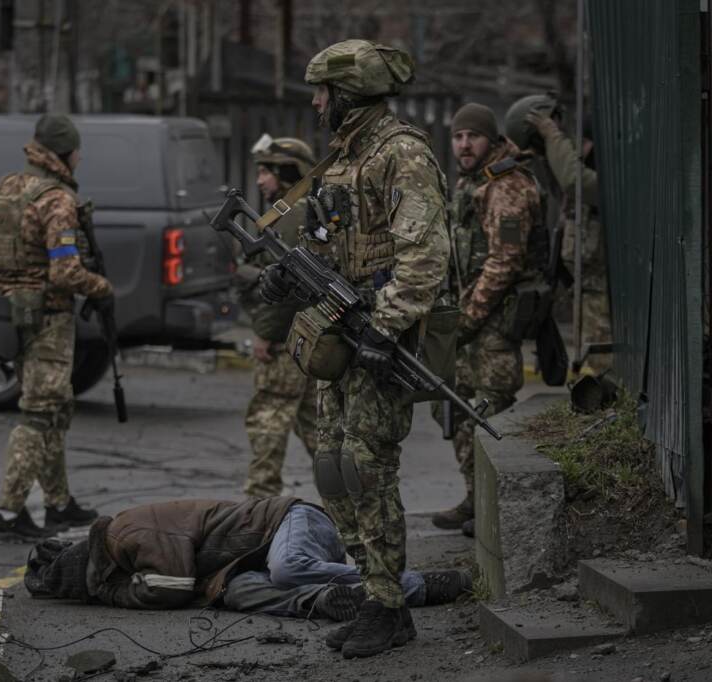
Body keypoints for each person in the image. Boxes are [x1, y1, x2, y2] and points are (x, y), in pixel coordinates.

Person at [258, 40, 450, 658]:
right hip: (337, 330)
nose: (315, 103)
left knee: (367, 467)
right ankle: (374, 592)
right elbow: (328, 241)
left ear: (348, 95)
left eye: (322, 92)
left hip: (377, 336)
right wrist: (291, 272)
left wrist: (385, 326)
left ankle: (391, 606)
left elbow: (425, 257)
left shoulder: (402, 154)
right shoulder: (344, 159)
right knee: (332, 466)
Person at [0, 114, 113, 543]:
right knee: (38, 414)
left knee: (56, 408)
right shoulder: (57, 199)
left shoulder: (5, 187)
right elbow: (65, 273)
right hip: (49, 321)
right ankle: (8, 512)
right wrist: (102, 287)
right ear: (67, 154)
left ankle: (59, 504)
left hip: (10, 315)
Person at [24, 497, 471, 621]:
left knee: (287, 568)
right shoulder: (122, 549)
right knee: (237, 593)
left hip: (289, 521)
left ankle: (410, 583)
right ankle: (326, 600)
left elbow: (172, 587)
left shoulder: (128, 530)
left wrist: (112, 593)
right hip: (245, 563)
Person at [430, 104, 544, 538]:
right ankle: (476, 499)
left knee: (489, 411)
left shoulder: (508, 187)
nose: (463, 145)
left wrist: (469, 318)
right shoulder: (474, 183)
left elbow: (505, 262)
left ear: (491, 139)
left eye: (472, 137)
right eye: (458, 137)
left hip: (495, 324)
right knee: (460, 410)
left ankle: (499, 510)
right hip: (471, 323)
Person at [236, 134, 319, 498]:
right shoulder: (304, 209)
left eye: (266, 172)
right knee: (318, 427)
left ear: (287, 171)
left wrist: (265, 335)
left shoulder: (290, 215)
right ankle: (346, 503)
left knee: (268, 417)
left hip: (285, 339)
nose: (259, 180)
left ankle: (259, 501)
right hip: (310, 337)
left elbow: (283, 286)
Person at [506, 94, 610, 373]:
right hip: (584, 287)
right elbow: (560, 183)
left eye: (584, 144)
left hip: (602, 287)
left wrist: (551, 134)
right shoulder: (564, 171)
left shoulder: (601, 176)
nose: (578, 150)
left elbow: (575, 181)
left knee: (605, 362)